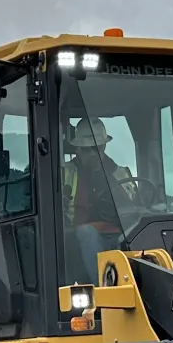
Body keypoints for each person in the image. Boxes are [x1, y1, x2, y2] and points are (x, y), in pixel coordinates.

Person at [63, 117, 131, 278]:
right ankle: (102, 287)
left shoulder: (120, 173)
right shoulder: (65, 173)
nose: (93, 153)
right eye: (87, 149)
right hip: (78, 233)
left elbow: (136, 205)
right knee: (88, 233)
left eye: (97, 148)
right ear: (78, 149)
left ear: (104, 146)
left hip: (118, 231)